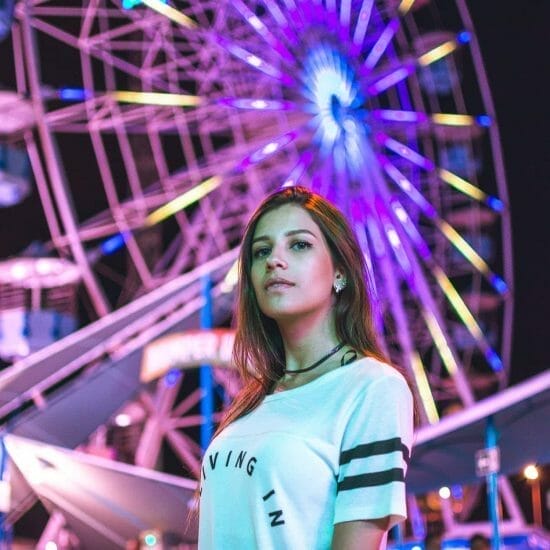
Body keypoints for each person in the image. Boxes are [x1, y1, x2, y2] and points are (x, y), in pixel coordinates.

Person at [198, 186, 414, 549]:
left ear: (340, 274)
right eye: (261, 251)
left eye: (298, 245)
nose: (274, 260)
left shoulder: (373, 388)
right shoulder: (254, 401)